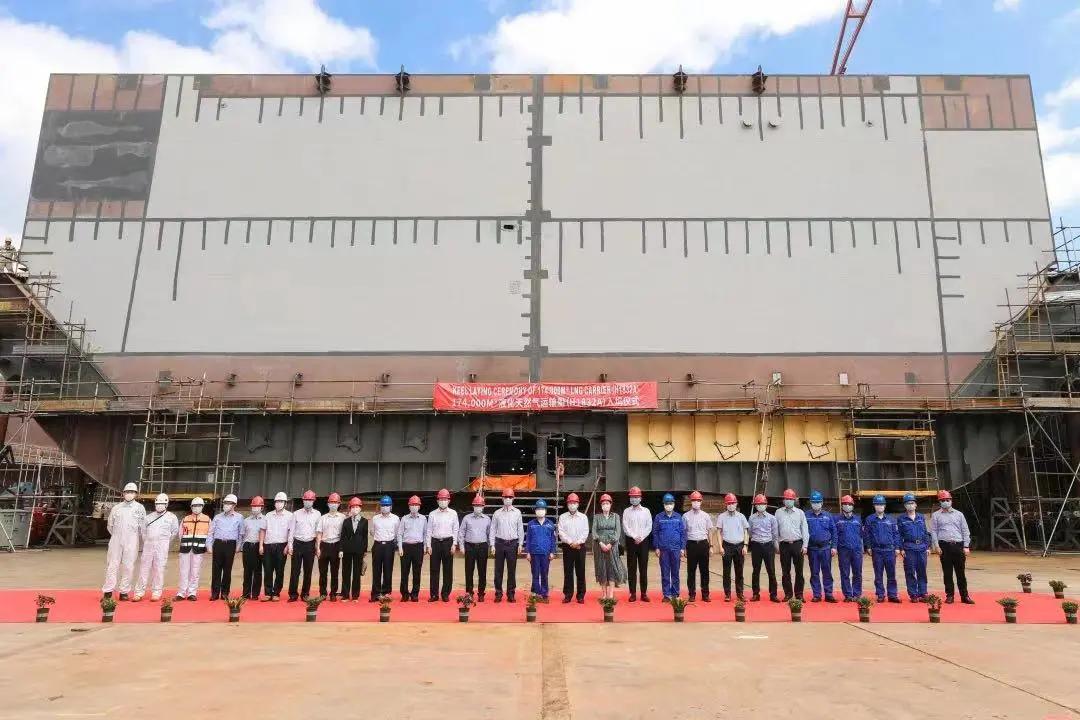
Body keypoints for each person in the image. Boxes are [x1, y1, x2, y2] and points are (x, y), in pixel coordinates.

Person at [102, 482, 146, 600]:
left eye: (132, 492)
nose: (129, 494)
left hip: (132, 540)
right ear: (123, 493)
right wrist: (117, 535)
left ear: (136, 494)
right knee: (112, 565)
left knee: (128, 566)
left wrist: (136, 538)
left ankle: (124, 592)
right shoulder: (116, 508)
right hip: (116, 539)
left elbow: (142, 527)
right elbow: (110, 525)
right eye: (127, 492)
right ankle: (108, 591)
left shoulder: (140, 508)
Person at [930, 489, 974, 605]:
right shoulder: (936, 515)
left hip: (958, 545)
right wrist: (936, 546)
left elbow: (965, 530)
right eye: (943, 500)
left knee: (961, 573)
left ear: (951, 500)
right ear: (940, 502)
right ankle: (950, 595)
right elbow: (934, 531)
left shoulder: (959, 515)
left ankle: (965, 596)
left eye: (947, 500)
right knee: (947, 573)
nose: (945, 502)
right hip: (944, 546)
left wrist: (966, 546)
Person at [132, 493, 178, 602]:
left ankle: (156, 592)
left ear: (166, 504)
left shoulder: (172, 517)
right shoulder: (148, 517)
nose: (159, 505)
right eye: (157, 503)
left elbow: (174, 532)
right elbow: (143, 531)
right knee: (144, 569)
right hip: (149, 545)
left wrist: (165, 542)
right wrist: (148, 541)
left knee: (159, 569)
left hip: (162, 545)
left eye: (162, 503)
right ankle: (139, 592)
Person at [863, 494, 901, 603]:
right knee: (878, 574)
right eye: (877, 504)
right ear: (874, 506)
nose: (880, 506)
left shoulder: (891, 519)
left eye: (881, 504)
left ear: (885, 506)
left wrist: (897, 547)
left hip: (890, 550)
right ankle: (880, 594)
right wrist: (868, 547)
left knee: (891, 574)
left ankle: (892, 594)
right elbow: (866, 534)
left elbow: (896, 534)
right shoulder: (869, 519)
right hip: (877, 550)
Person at [490, 487, 525, 603]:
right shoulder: (497, 513)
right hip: (499, 543)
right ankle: (498, 593)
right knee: (498, 570)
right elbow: (492, 529)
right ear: (502, 498)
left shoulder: (517, 513)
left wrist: (520, 544)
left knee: (511, 570)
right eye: (506, 497)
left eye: (510, 497)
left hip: (512, 544)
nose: (508, 499)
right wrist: (492, 545)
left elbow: (520, 529)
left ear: (513, 498)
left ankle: (511, 593)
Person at [206, 493, 244, 601]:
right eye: (225, 503)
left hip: (230, 545)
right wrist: (209, 545)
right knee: (216, 569)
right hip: (218, 544)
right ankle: (215, 593)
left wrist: (239, 546)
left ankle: (225, 593)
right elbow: (210, 532)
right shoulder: (217, 517)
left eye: (228, 503)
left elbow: (241, 534)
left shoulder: (239, 517)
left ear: (234, 505)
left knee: (227, 570)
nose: (226, 505)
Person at [426, 488, 459, 603]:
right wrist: (428, 545)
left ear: (449, 501)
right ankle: (434, 594)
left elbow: (455, 529)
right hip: (435, 542)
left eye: (445, 499)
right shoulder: (432, 514)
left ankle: (445, 593)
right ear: (437, 501)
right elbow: (429, 530)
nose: (443, 501)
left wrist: (454, 544)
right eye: (441, 499)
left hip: (448, 542)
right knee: (434, 570)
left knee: (447, 569)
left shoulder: (453, 513)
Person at [591, 493, 627, 601]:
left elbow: (618, 532)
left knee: (612, 568)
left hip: (612, 546)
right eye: (603, 503)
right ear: (601, 505)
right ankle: (604, 594)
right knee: (601, 568)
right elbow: (594, 531)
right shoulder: (597, 517)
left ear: (610, 504)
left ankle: (611, 594)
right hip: (599, 546)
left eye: (607, 503)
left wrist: (611, 543)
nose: (605, 505)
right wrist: (601, 543)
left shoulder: (616, 516)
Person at [287, 489, 320, 602]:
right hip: (297, 543)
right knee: (295, 570)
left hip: (310, 544)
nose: (308, 502)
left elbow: (318, 532)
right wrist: (290, 545)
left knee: (308, 571)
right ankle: (293, 594)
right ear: (303, 500)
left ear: (313, 501)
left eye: (310, 500)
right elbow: (291, 530)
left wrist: (317, 546)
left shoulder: (317, 514)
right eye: (306, 500)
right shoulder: (296, 514)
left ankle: (305, 594)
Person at [776, 488, 809, 602]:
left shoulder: (800, 513)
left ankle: (799, 594)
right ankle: (788, 594)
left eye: (790, 499)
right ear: (783, 500)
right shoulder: (778, 512)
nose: (788, 501)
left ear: (794, 500)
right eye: (786, 499)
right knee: (785, 571)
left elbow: (805, 530)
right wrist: (776, 545)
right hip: (784, 545)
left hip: (797, 544)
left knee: (799, 571)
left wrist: (805, 545)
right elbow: (776, 530)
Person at [716, 492, 750, 602]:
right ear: (726, 504)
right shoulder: (722, 517)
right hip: (727, 545)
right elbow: (718, 532)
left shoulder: (741, 516)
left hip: (739, 546)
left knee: (739, 571)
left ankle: (740, 594)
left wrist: (745, 545)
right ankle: (727, 594)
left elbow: (746, 531)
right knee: (726, 572)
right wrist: (720, 547)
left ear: (736, 504)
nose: (731, 505)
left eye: (733, 503)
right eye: (729, 503)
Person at [653, 493, 687, 601]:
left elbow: (683, 533)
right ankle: (666, 595)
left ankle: (675, 594)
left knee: (675, 573)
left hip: (676, 549)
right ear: (663, 504)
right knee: (665, 573)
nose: (669, 505)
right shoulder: (659, 517)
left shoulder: (678, 517)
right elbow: (655, 533)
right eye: (667, 503)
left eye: (670, 503)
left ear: (674, 504)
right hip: (663, 550)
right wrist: (656, 547)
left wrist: (682, 548)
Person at [805, 490, 837, 603]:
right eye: (814, 502)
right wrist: (805, 546)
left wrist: (834, 546)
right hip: (812, 548)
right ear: (810, 503)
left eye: (818, 502)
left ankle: (828, 594)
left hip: (825, 548)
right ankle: (817, 594)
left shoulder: (828, 516)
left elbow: (834, 532)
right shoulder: (806, 516)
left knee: (827, 572)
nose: (816, 504)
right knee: (814, 572)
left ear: (822, 503)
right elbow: (803, 531)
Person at [898, 492, 930, 603]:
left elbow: (925, 532)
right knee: (910, 571)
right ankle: (913, 594)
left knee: (922, 571)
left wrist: (927, 547)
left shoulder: (921, 517)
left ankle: (923, 593)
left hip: (921, 547)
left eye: (912, 503)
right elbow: (899, 535)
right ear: (905, 505)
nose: (910, 505)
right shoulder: (901, 519)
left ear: (916, 505)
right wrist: (901, 548)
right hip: (909, 547)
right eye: (908, 503)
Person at [557, 492, 589, 603]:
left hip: (580, 547)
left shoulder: (583, 517)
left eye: (574, 503)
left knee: (581, 571)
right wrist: (570, 542)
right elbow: (561, 532)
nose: (572, 505)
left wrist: (578, 542)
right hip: (568, 547)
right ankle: (568, 594)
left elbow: (585, 532)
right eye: (570, 503)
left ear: (578, 504)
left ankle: (580, 595)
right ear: (567, 504)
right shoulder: (562, 517)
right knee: (568, 571)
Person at [622, 486, 652, 602]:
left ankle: (644, 593)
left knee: (643, 568)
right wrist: (634, 536)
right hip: (631, 541)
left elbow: (649, 526)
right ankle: (633, 593)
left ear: (640, 498)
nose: (634, 499)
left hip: (643, 542)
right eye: (632, 497)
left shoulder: (646, 511)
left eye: (636, 497)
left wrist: (641, 537)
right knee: (632, 568)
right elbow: (625, 526)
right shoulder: (626, 511)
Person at [176, 497, 210, 601]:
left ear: (202, 507)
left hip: (198, 550)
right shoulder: (185, 519)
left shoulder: (207, 520)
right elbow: (180, 534)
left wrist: (208, 546)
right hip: (185, 549)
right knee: (183, 571)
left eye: (199, 506)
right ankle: (181, 593)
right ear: (191, 507)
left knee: (195, 572)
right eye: (194, 506)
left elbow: (210, 534)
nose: (196, 507)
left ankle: (192, 593)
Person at [459, 494, 492, 601]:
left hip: (482, 546)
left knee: (482, 571)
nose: (478, 507)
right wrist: (462, 546)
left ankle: (481, 593)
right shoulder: (466, 518)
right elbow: (461, 533)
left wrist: (490, 546)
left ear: (483, 507)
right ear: (473, 506)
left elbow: (489, 534)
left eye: (480, 506)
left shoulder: (487, 519)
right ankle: (469, 593)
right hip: (469, 546)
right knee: (469, 571)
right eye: (476, 505)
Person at [683, 490, 714, 602]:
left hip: (703, 544)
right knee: (691, 571)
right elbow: (684, 533)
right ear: (691, 502)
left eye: (698, 500)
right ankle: (692, 594)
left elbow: (710, 531)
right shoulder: (685, 516)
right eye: (694, 500)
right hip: (691, 544)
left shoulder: (706, 516)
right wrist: (684, 548)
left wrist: (711, 546)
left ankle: (705, 594)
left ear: (701, 502)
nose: (696, 502)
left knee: (704, 571)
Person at [748, 494, 780, 602]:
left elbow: (775, 534)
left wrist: (776, 547)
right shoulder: (752, 518)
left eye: (762, 504)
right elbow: (750, 532)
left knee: (771, 570)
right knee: (756, 570)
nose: (760, 506)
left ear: (766, 505)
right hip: (756, 545)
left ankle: (773, 594)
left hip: (768, 545)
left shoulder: (772, 518)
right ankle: (755, 594)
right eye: (758, 504)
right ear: (755, 506)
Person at [262, 491, 292, 601]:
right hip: (268, 545)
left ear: (285, 503)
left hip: (282, 546)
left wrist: (288, 545)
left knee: (279, 570)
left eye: (281, 501)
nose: (278, 503)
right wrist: (261, 545)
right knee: (268, 570)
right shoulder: (268, 515)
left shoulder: (290, 516)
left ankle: (276, 593)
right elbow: (263, 530)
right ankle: (267, 592)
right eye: (277, 501)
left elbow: (291, 532)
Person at [525, 499, 558, 600]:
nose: (540, 511)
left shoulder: (550, 524)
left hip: (545, 553)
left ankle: (544, 593)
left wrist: (552, 552)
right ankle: (535, 592)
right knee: (535, 574)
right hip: (534, 553)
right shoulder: (531, 524)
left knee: (544, 574)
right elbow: (528, 538)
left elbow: (553, 539)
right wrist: (528, 552)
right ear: (535, 511)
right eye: (538, 509)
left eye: (542, 509)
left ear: (546, 511)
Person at [397, 495, 426, 602]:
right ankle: (404, 594)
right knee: (404, 572)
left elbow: (425, 533)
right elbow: (400, 534)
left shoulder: (423, 519)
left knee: (417, 572)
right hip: (406, 547)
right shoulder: (404, 519)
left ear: (419, 506)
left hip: (418, 547)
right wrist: (400, 547)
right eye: (412, 505)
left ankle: (415, 594)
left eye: (416, 505)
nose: (414, 507)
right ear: (409, 506)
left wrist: (425, 547)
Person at [317, 492, 345, 601]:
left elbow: (344, 534)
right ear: (328, 504)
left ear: (339, 504)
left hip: (336, 545)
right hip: (324, 545)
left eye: (335, 502)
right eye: (331, 502)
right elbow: (319, 533)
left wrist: (341, 549)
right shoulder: (323, 518)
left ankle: (333, 593)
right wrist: (318, 548)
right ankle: (323, 593)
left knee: (334, 571)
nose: (333, 504)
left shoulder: (342, 517)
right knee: (323, 572)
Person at [370, 495, 399, 601]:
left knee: (388, 569)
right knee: (376, 570)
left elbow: (397, 533)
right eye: (383, 505)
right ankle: (376, 593)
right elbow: (372, 532)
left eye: (387, 505)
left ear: (391, 506)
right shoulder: (375, 518)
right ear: (380, 506)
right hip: (377, 545)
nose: (385, 507)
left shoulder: (395, 518)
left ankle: (386, 592)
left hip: (389, 545)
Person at [835, 494, 864, 602]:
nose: (847, 506)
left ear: (853, 505)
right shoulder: (837, 519)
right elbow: (835, 535)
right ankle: (847, 595)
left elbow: (861, 534)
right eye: (845, 504)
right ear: (842, 505)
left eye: (849, 504)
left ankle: (856, 594)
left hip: (856, 550)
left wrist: (862, 547)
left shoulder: (858, 519)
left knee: (857, 573)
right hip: (843, 550)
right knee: (845, 573)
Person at [340, 496, 368, 602]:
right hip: (347, 550)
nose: (355, 509)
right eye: (353, 507)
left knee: (356, 573)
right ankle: (345, 595)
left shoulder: (364, 521)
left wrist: (365, 550)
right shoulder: (346, 521)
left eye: (357, 507)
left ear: (360, 508)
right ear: (350, 508)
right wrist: (341, 549)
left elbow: (365, 537)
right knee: (346, 572)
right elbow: (342, 536)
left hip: (359, 550)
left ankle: (355, 596)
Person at [240, 495, 266, 601]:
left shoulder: (265, 519)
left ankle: (255, 594)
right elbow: (242, 535)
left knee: (257, 571)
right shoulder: (246, 520)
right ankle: (246, 593)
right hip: (247, 546)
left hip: (258, 546)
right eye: (253, 506)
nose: (255, 508)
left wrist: (262, 546)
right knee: (247, 570)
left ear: (262, 507)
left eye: (257, 506)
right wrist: (242, 546)